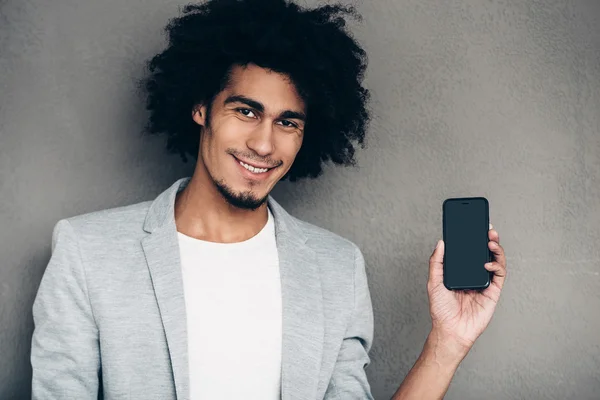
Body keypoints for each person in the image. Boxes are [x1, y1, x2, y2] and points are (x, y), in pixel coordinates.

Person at [30, 0, 508, 399]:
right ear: (201, 107)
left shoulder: (336, 267)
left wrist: (448, 342)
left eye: (287, 122)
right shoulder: (88, 251)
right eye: (245, 111)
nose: (264, 144)